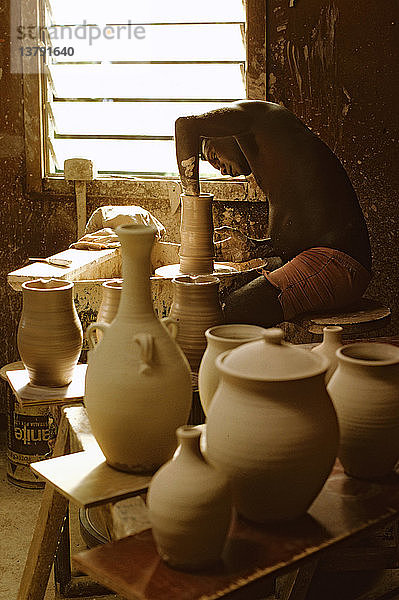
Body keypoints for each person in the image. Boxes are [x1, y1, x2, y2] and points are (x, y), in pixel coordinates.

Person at [174, 100, 372, 327]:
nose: (220, 168)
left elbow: (185, 126)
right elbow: (307, 227)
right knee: (226, 292)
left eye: (213, 156)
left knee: (232, 311)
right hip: (321, 257)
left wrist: (191, 199)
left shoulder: (260, 115)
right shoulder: (273, 155)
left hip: (337, 263)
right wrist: (255, 248)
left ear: (223, 131)